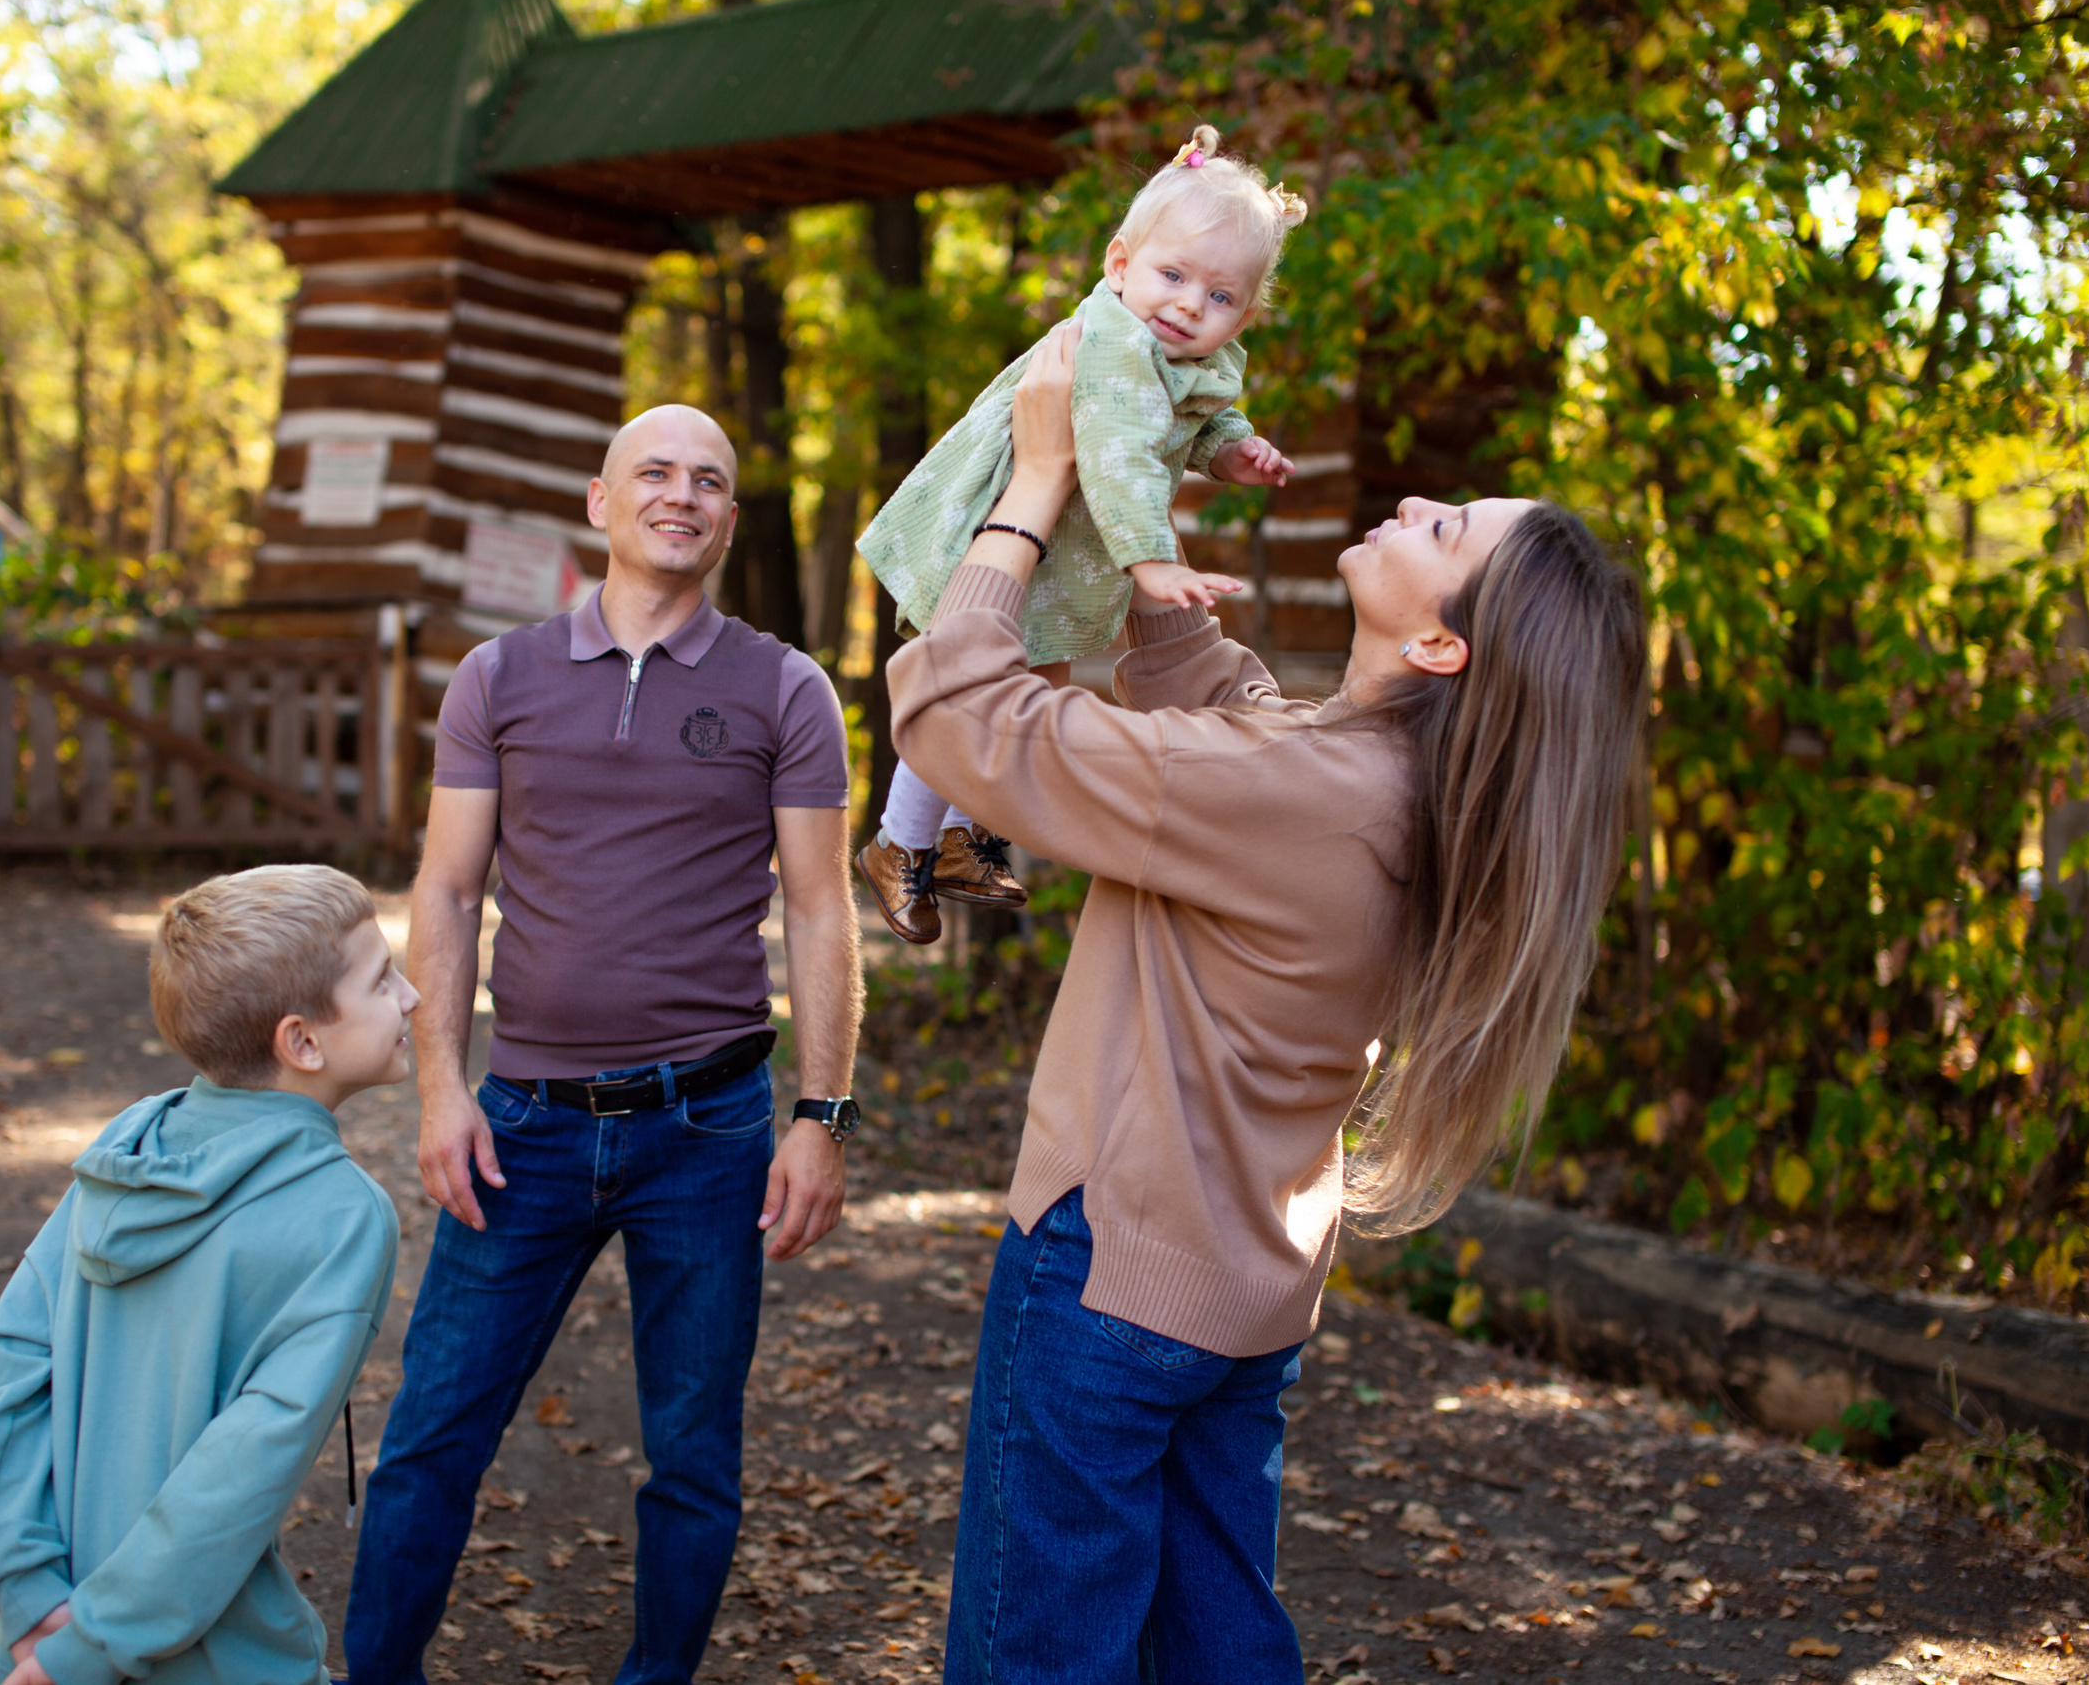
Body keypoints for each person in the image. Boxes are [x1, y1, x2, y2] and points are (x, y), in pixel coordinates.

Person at [889, 328, 1647, 1684]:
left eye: (1446, 525)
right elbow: (1215, 696)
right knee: (1215, 1642)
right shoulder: (1382, 782)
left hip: (1110, 1272)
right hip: (1240, 1292)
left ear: (1438, 637)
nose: (1416, 501)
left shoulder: (1316, 799)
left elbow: (959, 714)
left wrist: (1037, 484)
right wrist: (1141, 496)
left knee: (1038, 1655)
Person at [343, 404, 864, 1685]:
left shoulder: (785, 688)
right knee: (430, 1438)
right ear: (600, 501)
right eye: (655, 472)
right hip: (521, 1122)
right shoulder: (498, 678)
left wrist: (823, 1115)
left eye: (709, 480)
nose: (680, 494)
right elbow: (448, 891)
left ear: (730, 520)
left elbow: (818, 906)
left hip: (712, 1130)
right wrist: (439, 1089)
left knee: (693, 1455)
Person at [0, 864, 415, 1685]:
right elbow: (241, 1473)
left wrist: (29, 1592)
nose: (410, 997)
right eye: (383, 980)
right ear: (302, 1040)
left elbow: (9, 1359)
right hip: (202, 1660)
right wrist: (84, 1648)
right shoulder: (346, 1217)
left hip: (37, 1641)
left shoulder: (132, 1143)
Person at [851, 124, 1306, 945]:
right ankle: (897, 844)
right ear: (1119, 265)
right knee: (962, 687)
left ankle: (958, 839)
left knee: (1035, 688)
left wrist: (1235, 450)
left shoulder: (1180, 354)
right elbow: (1123, 451)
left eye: (1220, 298)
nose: (1189, 306)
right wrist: (1152, 561)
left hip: (1060, 557)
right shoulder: (1114, 345)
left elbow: (1195, 419)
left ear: (1245, 309)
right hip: (1003, 532)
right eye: (1172, 276)